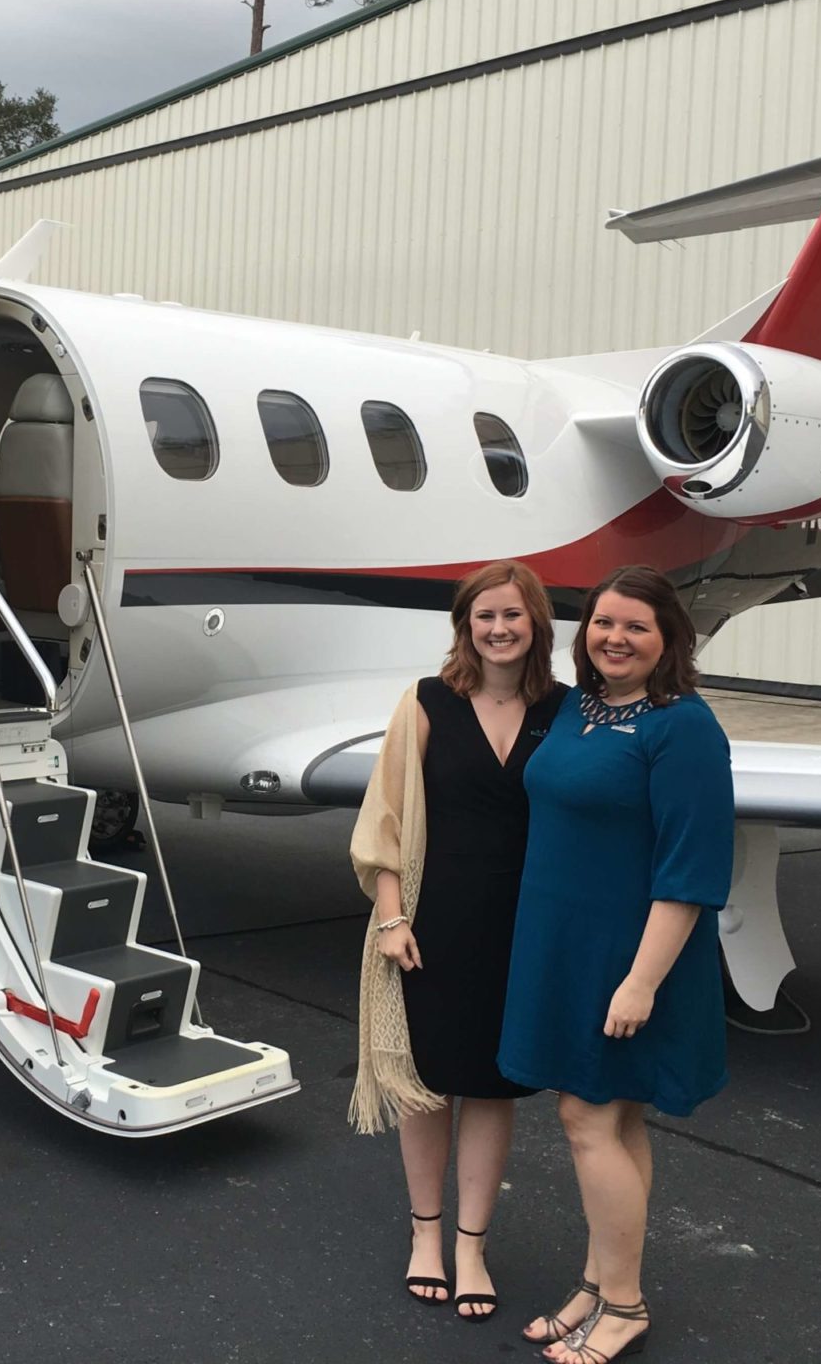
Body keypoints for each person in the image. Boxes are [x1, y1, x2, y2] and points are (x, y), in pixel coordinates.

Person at [498, 564, 734, 1364]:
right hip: (561, 942)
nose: (616, 638)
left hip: (629, 954)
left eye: (636, 626)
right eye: (603, 623)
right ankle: (600, 1285)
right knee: (616, 1114)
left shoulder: (685, 727)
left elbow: (692, 871)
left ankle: (624, 1304)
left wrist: (641, 981)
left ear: (668, 638)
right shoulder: (575, 708)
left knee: (587, 1117)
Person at [349, 561, 563, 1323]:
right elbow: (388, 816)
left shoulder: (564, 711)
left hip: (525, 928)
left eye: (513, 615)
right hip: (432, 925)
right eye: (484, 617)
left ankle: (472, 1244)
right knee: (426, 1081)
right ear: (465, 627)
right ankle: (426, 1236)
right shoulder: (428, 701)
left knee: (493, 1085)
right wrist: (392, 916)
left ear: (536, 623)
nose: (499, 629)